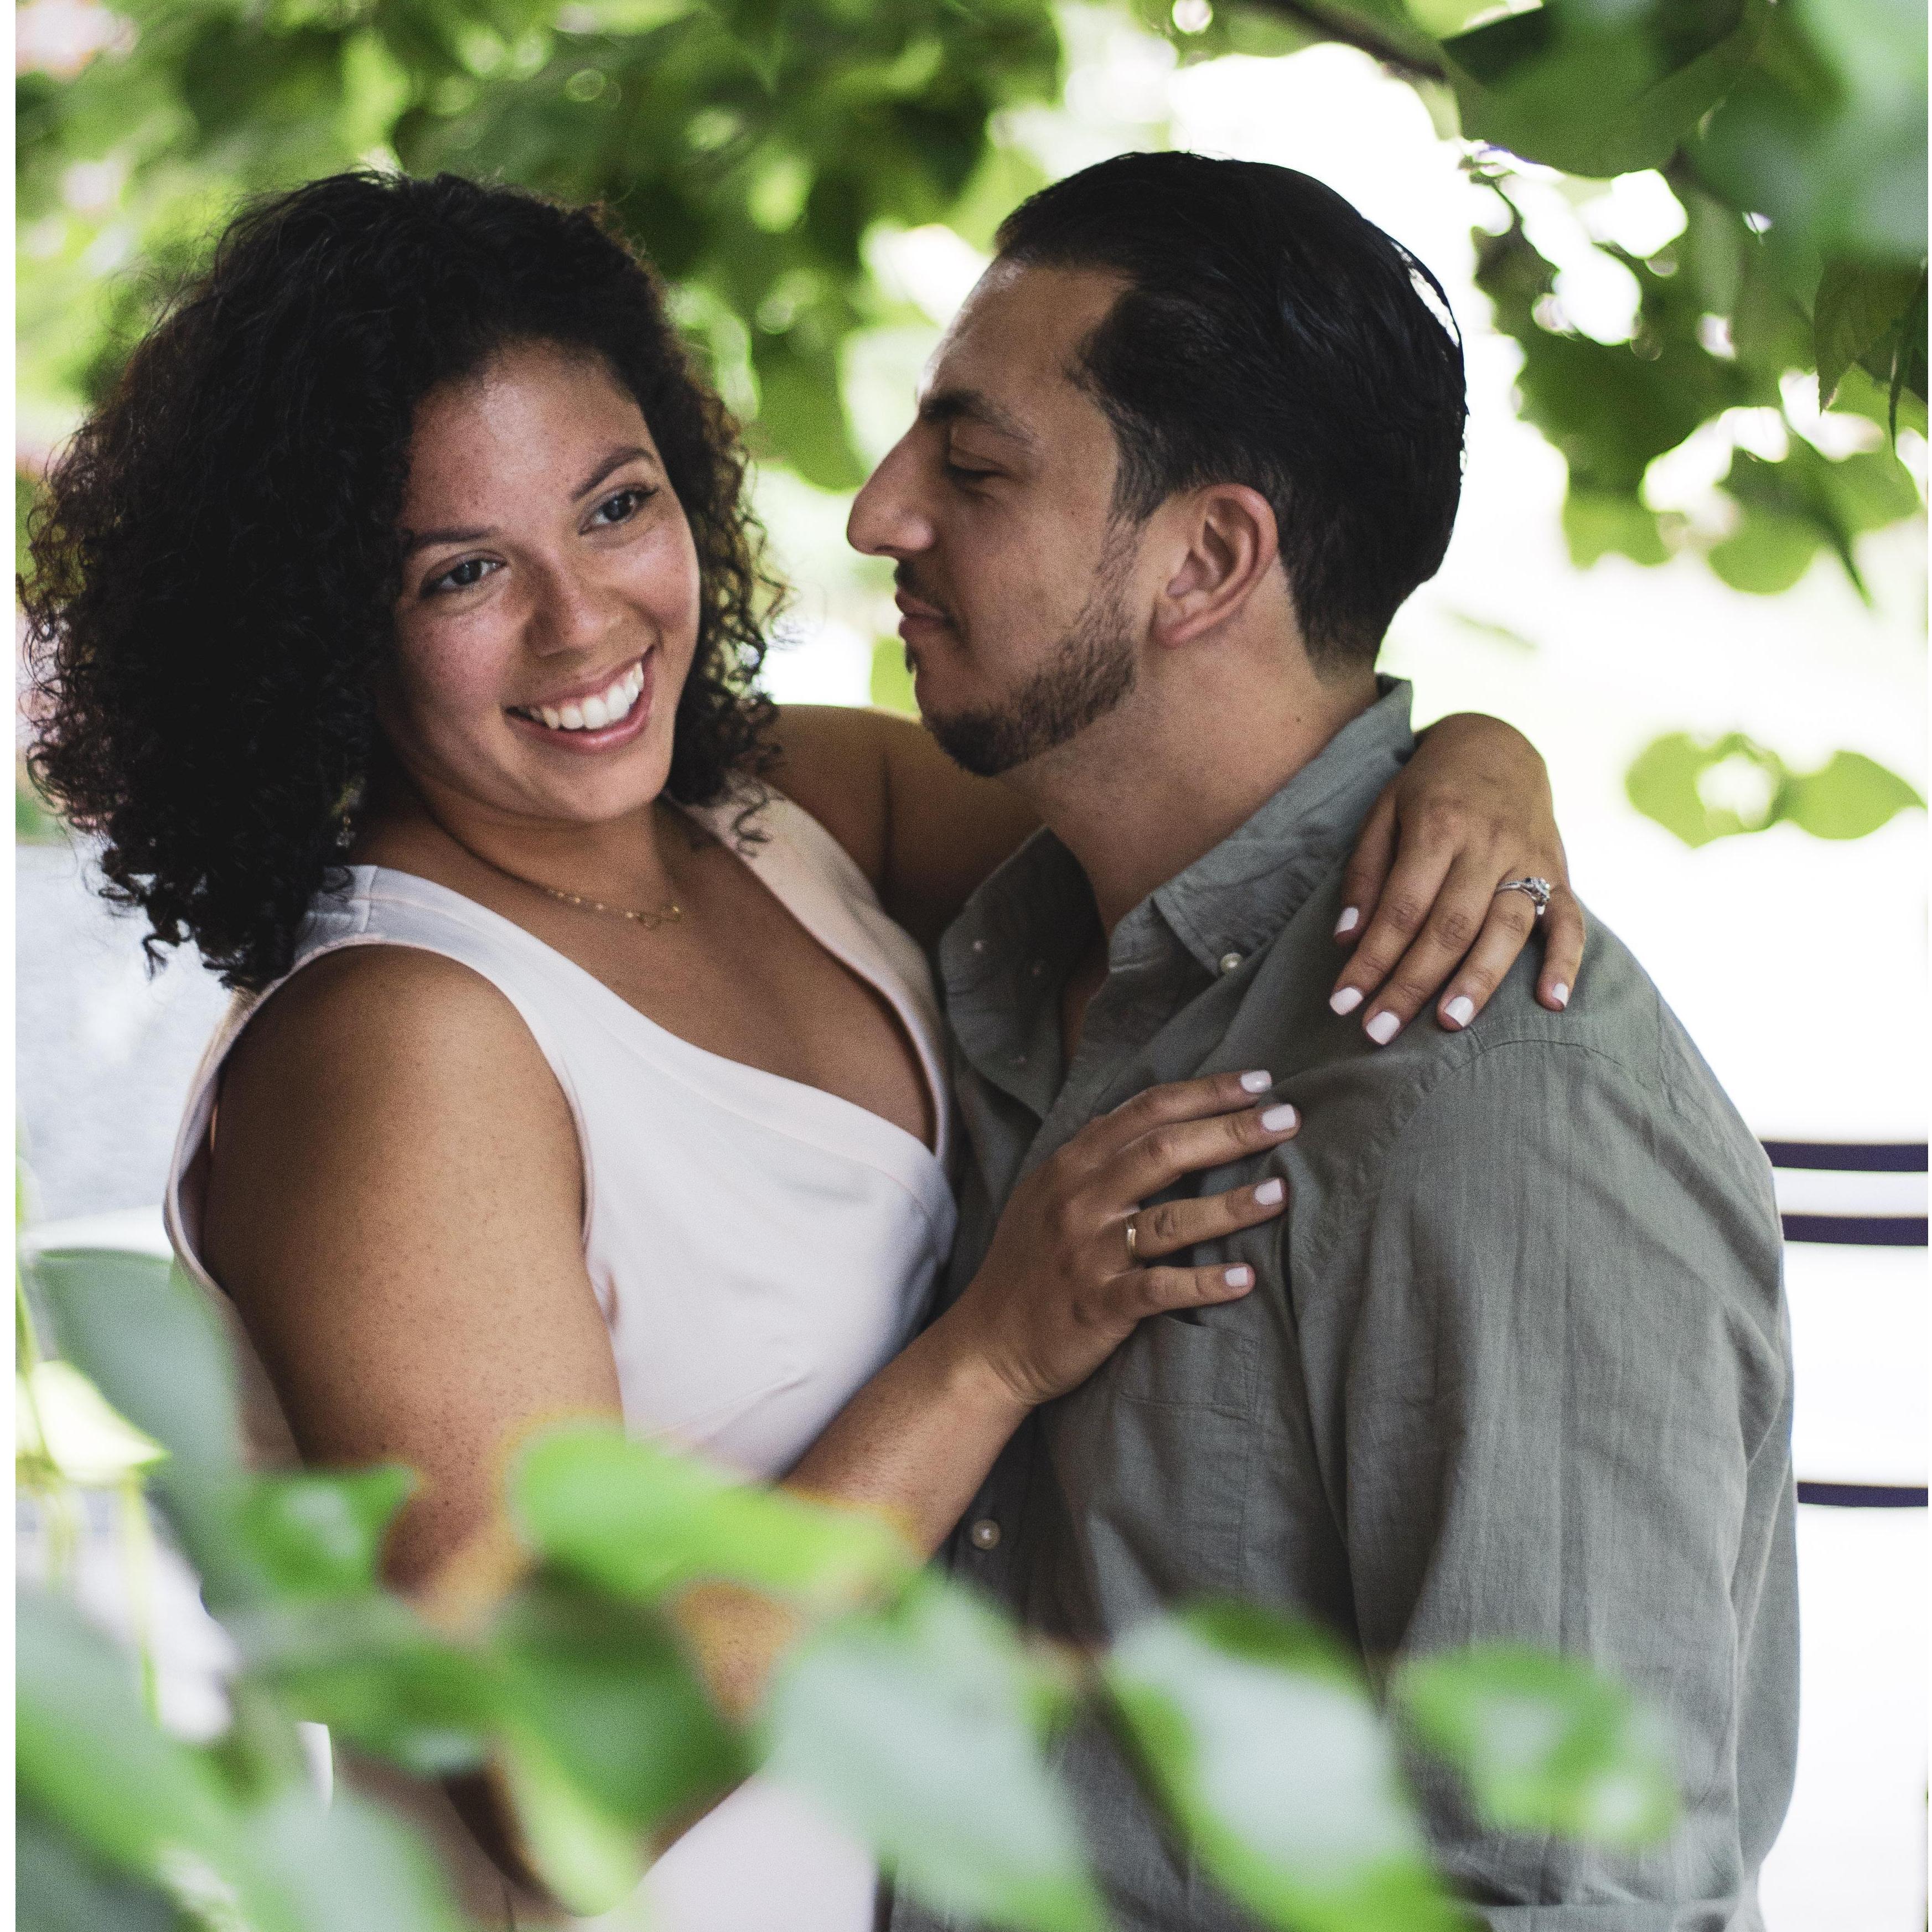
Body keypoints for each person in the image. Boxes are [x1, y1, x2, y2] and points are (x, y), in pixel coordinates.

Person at [24, 170, 1578, 1929]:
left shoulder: (786, 811)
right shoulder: (399, 1042)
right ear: (322, 625)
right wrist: (990, 1353)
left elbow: (1210, 804)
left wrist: (1470, 760)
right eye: (461, 571)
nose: (584, 622)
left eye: (615, 507)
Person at [848, 151, 1798, 1930]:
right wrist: (1480, 743)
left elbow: (1574, 1894)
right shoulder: (1009, 959)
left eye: (974, 469)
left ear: (1209, 558)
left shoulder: (1482, 1091)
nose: (880, 512)